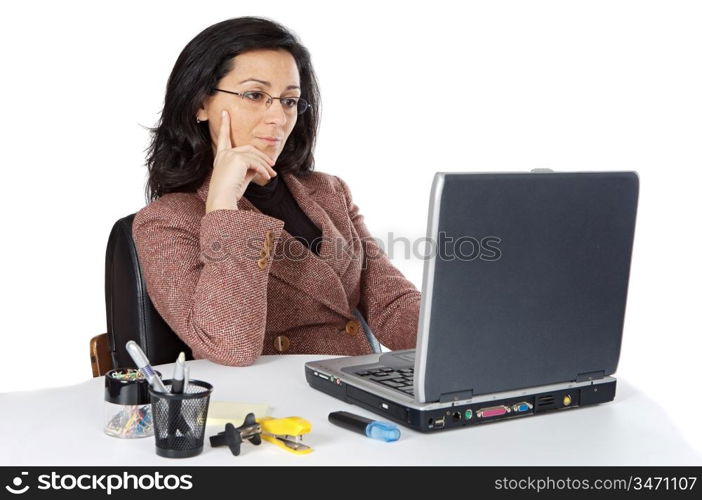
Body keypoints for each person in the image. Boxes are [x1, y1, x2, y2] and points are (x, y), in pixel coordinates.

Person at [132, 17, 420, 366]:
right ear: (200, 104)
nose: (279, 118)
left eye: (289, 101)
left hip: (357, 386)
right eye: (255, 95)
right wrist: (223, 206)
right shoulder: (166, 221)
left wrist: (472, 329)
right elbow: (228, 348)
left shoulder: (329, 191)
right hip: (268, 408)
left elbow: (391, 305)